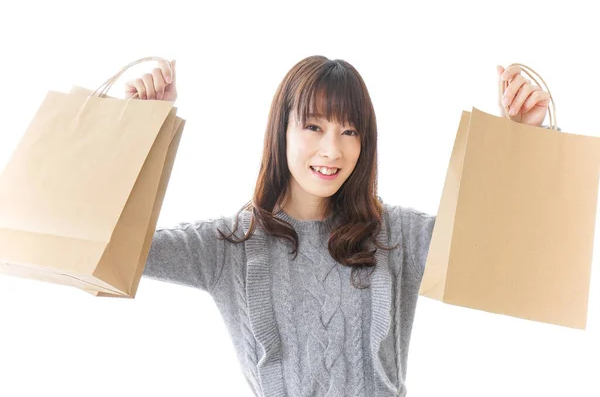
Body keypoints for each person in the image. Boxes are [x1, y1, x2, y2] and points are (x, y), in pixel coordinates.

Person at [126, 57, 552, 397]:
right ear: (281, 131)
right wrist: (140, 126)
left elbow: (502, 249)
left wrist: (521, 141)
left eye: (349, 131)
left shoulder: (396, 235)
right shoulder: (230, 245)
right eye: (314, 126)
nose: (332, 150)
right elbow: (114, 248)